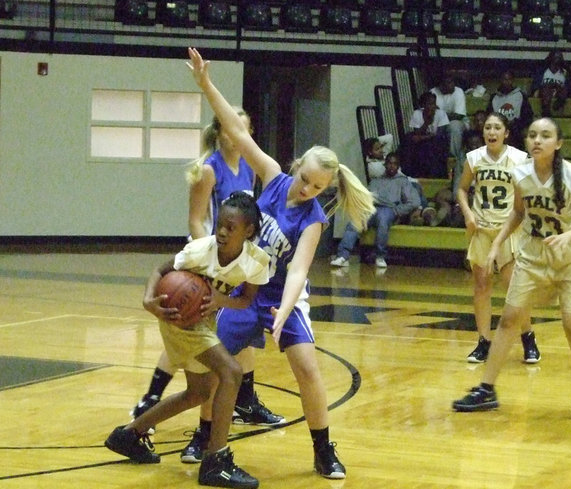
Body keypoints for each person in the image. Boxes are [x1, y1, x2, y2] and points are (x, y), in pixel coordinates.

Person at [188, 47, 376, 479]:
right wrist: (206, 86)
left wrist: (286, 312)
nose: (308, 189)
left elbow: (298, 271)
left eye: (317, 186)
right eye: (306, 179)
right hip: (244, 291)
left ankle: (323, 449)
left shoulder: (314, 218)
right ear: (296, 168)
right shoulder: (272, 177)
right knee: (212, 366)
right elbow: (236, 129)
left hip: (281, 299)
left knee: (308, 368)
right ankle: (203, 436)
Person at [130, 110, 285, 434]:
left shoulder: (247, 167)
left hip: (228, 260)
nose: (234, 134)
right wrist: (215, 256)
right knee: (188, 320)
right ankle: (150, 400)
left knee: (237, 332)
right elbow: (196, 219)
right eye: (229, 128)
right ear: (220, 132)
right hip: (203, 258)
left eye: (241, 128)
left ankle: (246, 399)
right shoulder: (208, 169)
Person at [105, 192, 270, 489]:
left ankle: (129, 435)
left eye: (230, 227)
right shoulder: (198, 251)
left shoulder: (257, 262)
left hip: (203, 322)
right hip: (178, 319)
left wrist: (220, 300)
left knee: (198, 393)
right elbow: (160, 270)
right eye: (220, 224)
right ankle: (215, 462)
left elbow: (246, 301)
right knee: (231, 372)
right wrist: (148, 300)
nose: (221, 231)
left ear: (249, 231)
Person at [453, 117, 571, 420]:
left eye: (545, 136)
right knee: (508, 320)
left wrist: (568, 235)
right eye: (532, 135)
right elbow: (518, 212)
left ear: (558, 143)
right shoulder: (520, 174)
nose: (537, 140)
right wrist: (496, 245)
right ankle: (486, 389)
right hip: (533, 255)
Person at [456, 112, 540, 364]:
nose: (491, 132)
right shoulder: (473, 158)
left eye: (497, 128)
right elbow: (461, 189)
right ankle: (483, 342)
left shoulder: (518, 158)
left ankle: (528, 336)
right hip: (482, 229)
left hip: (509, 231)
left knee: (514, 288)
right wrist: (468, 214)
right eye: (487, 128)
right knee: (481, 286)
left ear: (506, 133)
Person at [331, 152, 419, 268]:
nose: (392, 166)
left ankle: (380, 256)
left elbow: (414, 201)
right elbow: (368, 197)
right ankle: (343, 256)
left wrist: (397, 210)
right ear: (385, 164)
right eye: (389, 163)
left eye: (395, 164)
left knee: (383, 220)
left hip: (389, 209)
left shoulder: (403, 181)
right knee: (354, 222)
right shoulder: (376, 181)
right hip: (371, 208)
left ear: (398, 166)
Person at [400, 91, 450, 179]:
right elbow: (416, 133)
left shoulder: (441, 114)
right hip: (423, 143)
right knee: (408, 138)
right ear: (423, 105)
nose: (433, 106)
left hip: (437, 143)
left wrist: (423, 137)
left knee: (431, 144)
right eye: (430, 104)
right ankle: (408, 173)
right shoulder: (417, 113)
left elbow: (439, 134)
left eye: (434, 103)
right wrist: (426, 123)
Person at [487, 70, 533, 151]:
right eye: (504, 79)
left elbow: (528, 115)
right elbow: (489, 115)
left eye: (509, 79)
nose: (507, 82)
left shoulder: (520, 95)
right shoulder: (494, 97)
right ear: (501, 80)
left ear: (513, 80)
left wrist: (516, 123)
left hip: (516, 127)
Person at [431, 73, 469, 170]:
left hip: (459, 123)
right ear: (441, 84)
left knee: (454, 126)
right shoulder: (433, 93)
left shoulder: (458, 91)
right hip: (438, 124)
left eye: (452, 82)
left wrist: (441, 114)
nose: (451, 85)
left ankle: (454, 158)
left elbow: (459, 115)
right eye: (448, 83)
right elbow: (431, 113)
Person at [531, 49, 568, 117]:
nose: (557, 59)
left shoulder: (565, 73)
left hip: (558, 94)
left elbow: (567, 88)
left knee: (562, 89)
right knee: (547, 88)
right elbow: (536, 86)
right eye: (555, 57)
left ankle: (559, 104)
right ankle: (546, 111)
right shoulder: (542, 71)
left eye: (559, 57)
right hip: (544, 93)